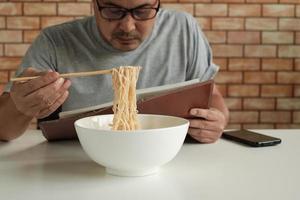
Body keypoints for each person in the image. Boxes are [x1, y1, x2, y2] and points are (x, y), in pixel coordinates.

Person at [0, 0, 229, 142]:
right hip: (79, 161)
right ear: (94, 3)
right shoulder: (55, 42)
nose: (128, 27)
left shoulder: (183, 29)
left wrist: (216, 121)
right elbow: (3, 130)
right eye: (112, 10)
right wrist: (21, 107)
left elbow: (213, 97)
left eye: (142, 11)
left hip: (165, 157)